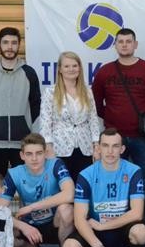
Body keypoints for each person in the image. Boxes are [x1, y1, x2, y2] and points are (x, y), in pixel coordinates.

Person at [91, 27, 145, 220]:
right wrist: (112, 120)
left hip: (142, 138)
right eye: (121, 41)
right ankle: (119, 227)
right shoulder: (104, 72)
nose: (125, 45)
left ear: (135, 44)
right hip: (113, 140)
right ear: (115, 45)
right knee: (115, 184)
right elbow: (95, 104)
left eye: (128, 41)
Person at [61, 128, 145, 247]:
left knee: (141, 233)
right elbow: (79, 219)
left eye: (115, 146)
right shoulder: (86, 175)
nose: (110, 151)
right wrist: (98, 246)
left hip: (120, 227)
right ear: (98, 148)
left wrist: (103, 226)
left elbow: (137, 213)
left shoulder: (134, 171)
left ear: (122, 149)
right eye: (105, 145)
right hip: (95, 229)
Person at [1, 133, 75, 247]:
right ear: (22, 155)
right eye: (29, 154)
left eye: (39, 153)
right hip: (29, 226)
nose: (34, 158)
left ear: (45, 153)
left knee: (66, 209)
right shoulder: (14, 173)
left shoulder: (55, 164)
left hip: (55, 225)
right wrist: (23, 226)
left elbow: (70, 194)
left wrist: (32, 207)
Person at [0, 26, 41, 177]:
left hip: (22, 143)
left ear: (19, 45)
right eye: (5, 42)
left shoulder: (29, 73)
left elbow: (36, 104)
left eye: (14, 43)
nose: (10, 47)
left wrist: (26, 127)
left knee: (24, 185)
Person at [39, 51, 101, 181]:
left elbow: (93, 119)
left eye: (74, 65)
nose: (71, 69)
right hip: (59, 149)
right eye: (66, 66)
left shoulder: (87, 91)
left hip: (85, 148)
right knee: (62, 186)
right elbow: (45, 122)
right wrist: (48, 147)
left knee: (83, 185)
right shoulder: (50, 92)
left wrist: (96, 145)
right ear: (60, 69)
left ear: (80, 68)